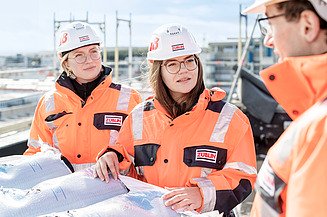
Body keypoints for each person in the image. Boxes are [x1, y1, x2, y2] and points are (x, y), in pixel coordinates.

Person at [95, 23, 257, 216]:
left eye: (189, 61)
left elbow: (243, 177)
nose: (184, 70)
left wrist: (201, 194)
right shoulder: (139, 117)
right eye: (172, 64)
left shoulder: (230, 118)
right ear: (158, 71)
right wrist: (111, 155)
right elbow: (124, 159)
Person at [243, 0, 327, 216]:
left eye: (270, 24)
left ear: (307, 25)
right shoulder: (315, 116)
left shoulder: (321, 126)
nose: (268, 40)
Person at [24, 22, 142, 171]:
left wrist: (116, 153)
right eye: (79, 55)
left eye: (93, 51)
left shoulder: (129, 97)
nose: (89, 60)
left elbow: (142, 150)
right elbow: (34, 151)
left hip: (117, 191)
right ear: (65, 62)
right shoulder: (49, 102)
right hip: (64, 191)